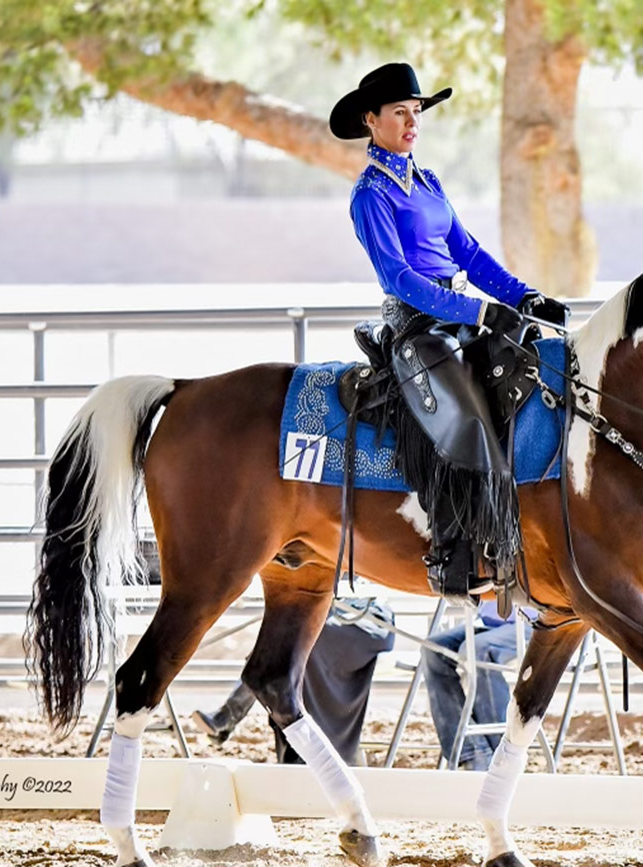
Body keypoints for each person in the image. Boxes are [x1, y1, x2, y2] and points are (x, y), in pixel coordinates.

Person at [329, 62, 569, 598]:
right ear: (371, 120)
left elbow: (468, 252)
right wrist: (480, 313)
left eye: (416, 113)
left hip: (457, 316)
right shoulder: (370, 196)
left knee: (528, 378)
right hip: (417, 326)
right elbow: (401, 278)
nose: (412, 123)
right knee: (469, 425)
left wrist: (521, 295)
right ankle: (455, 555)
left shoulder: (427, 181)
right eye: (400, 113)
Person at [193, 599, 395, 765]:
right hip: (335, 610)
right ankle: (230, 716)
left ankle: (229, 715)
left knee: (293, 637)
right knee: (291, 635)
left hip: (368, 616)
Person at [421, 599, 532, 770]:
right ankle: (473, 751)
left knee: (478, 650)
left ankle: (501, 755)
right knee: (432, 648)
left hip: (533, 622)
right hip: (489, 623)